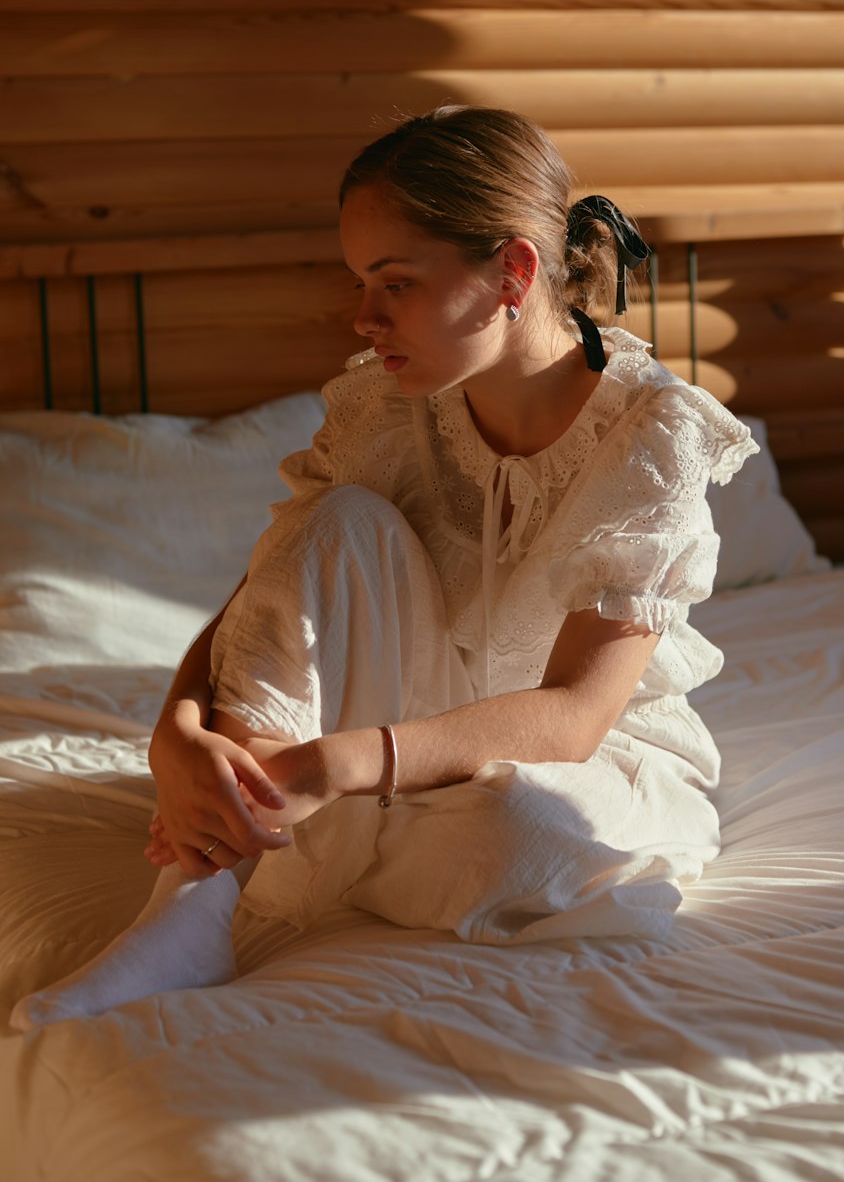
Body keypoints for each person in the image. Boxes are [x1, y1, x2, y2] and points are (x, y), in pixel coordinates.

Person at [12, 105, 757, 1031]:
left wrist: (337, 761)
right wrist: (177, 729)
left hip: (582, 755)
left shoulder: (652, 435)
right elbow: (275, 593)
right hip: (394, 724)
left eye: (396, 283)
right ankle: (194, 909)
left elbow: (572, 718)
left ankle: (294, 818)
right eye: (363, 282)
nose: (364, 316)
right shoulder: (384, 405)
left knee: (521, 835)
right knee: (337, 518)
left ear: (512, 274)